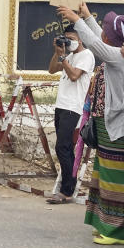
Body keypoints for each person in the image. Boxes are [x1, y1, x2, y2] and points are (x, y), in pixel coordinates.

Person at [58, 4, 124, 244]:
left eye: (105, 29)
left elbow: (97, 45)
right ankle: (106, 224)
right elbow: (102, 39)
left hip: (120, 128)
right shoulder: (118, 50)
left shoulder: (122, 55)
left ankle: (119, 232)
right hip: (109, 126)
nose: (102, 31)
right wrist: (85, 15)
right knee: (105, 176)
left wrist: (77, 20)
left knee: (118, 181)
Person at [46, 26, 94, 204]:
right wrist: (57, 52)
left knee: (63, 147)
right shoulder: (69, 56)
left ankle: (67, 190)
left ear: (80, 39)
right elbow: (52, 69)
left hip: (73, 107)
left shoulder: (87, 55)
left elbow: (74, 75)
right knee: (64, 147)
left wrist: (64, 58)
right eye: (65, 38)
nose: (68, 42)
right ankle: (69, 183)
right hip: (61, 105)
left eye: (71, 39)